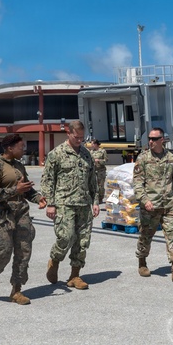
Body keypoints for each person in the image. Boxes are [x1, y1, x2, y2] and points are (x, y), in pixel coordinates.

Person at [0, 133, 46, 305]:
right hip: (3, 215)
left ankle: (16, 290)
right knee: (3, 250)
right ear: (10, 148)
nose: (24, 149)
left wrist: (37, 197)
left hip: (21, 213)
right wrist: (15, 190)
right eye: (21, 146)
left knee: (23, 251)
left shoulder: (19, 166)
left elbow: (26, 190)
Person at [40, 120, 100, 289]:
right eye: (76, 137)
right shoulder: (56, 154)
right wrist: (50, 204)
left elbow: (92, 181)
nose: (79, 140)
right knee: (65, 237)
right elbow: (47, 180)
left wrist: (95, 202)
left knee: (82, 241)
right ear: (69, 133)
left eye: (82, 137)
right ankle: (55, 260)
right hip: (63, 203)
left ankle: (75, 275)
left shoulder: (86, 154)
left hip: (83, 204)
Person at [133, 127, 173, 282]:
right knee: (146, 236)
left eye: (154, 139)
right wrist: (145, 201)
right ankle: (142, 262)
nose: (151, 142)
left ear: (162, 140)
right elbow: (138, 183)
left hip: (168, 205)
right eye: (150, 139)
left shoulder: (170, 158)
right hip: (150, 206)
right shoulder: (143, 158)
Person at [87, 138, 108, 205]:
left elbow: (106, 160)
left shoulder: (102, 151)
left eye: (92, 143)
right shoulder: (91, 152)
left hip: (100, 171)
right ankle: (94, 199)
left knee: (100, 186)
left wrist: (99, 160)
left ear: (96, 144)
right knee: (93, 185)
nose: (91, 145)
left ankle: (100, 198)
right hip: (93, 171)